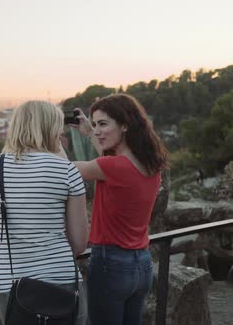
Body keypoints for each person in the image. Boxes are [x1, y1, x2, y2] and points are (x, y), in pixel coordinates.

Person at [0, 100, 89, 324]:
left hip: (10, 283)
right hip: (61, 280)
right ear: (51, 128)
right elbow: (79, 243)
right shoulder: (67, 170)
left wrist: (1, 253)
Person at [69, 93, 169, 325]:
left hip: (110, 265)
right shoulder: (151, 164)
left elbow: (65, 168)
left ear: (125, 125)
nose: (97, 130)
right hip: (141, 265)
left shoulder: (112, 166)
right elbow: (108, 163)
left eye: (103, 124)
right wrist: (89, 133)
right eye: (94, 125)